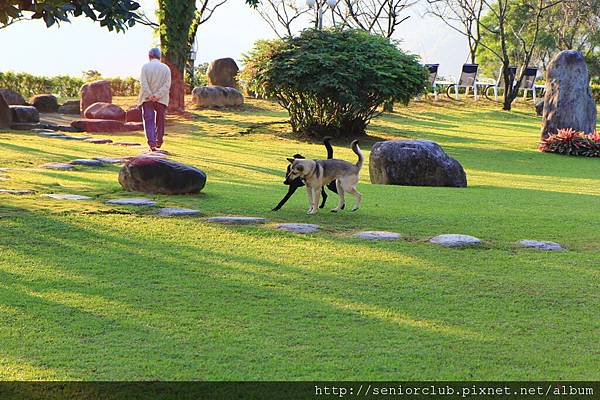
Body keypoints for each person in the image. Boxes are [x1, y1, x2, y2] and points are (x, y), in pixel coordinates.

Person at [138, 48, 171, 151]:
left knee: (148, 120)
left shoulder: (145, 67)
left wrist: (150, 95)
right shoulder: (166, 68)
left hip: (147, 98)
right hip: (161, 99)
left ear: (149, 56)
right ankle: (159, 140)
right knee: (160, 120)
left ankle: (152, 143)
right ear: (159, 56)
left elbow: (143, 83)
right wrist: (157, 95)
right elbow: (167, 85)